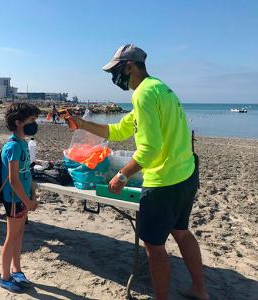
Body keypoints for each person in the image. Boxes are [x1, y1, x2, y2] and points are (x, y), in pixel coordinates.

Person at [67, 44, 209, 300]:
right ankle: (200, 289)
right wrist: (82, 123)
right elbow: (118, 131)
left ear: (129, 65)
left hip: (163, 182)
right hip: (185, 175)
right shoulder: (160, 88)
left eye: (116, 71)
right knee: (181, 232)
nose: (114, 78)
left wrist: (123, 175)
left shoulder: (143, 94)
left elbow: (150, 149)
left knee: (154, 248)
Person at [0, 103, 40, 293]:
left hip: (23, 198)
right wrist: (27, 201)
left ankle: (17, 270)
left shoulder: (23, 143)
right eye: (31, 120)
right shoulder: (13, 146)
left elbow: (26, 174)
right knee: (11, 237)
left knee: (19, 235)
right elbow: (13, 180)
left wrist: (32, 193)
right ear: (18, 122)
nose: (34, 124)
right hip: (14, 200)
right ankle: (5, 276)